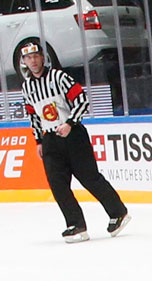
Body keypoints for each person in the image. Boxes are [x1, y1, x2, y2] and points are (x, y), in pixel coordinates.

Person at [19, 41, 129, 243]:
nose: (33, 61)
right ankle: (76, 225)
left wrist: (70, 123)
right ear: (24, 61)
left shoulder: (58, 77)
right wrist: (38, 141)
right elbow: (33, 116)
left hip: (73, 134)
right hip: (50, 139)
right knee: (57, 184)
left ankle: (118, 212)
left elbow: (82, 100)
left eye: (36, 56)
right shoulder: (27, 87)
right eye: (28, 58)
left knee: (89, 177)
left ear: (43, 57)